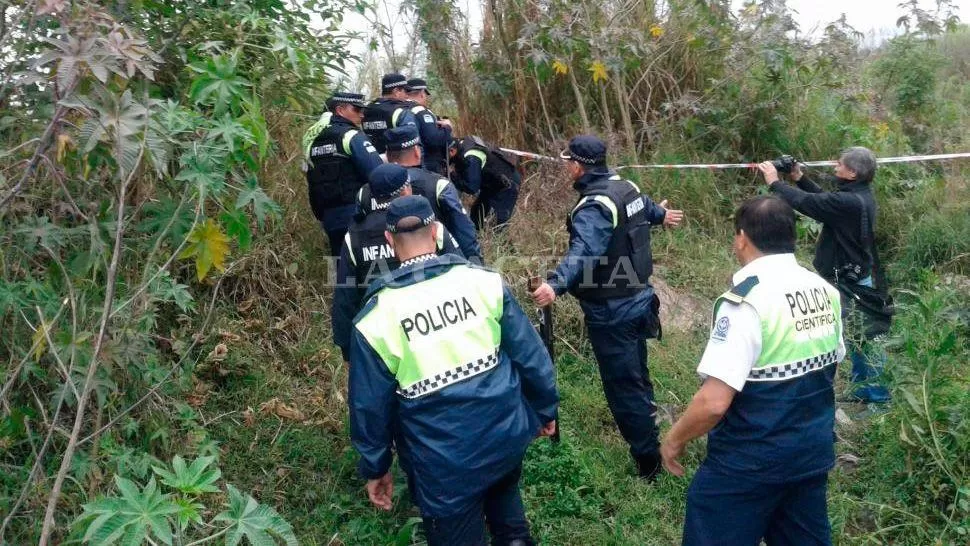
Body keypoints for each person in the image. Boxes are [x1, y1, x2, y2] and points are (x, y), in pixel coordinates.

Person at [349, 195, 559, 546]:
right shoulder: (484, 282)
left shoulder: (376, 318)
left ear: (389, 241)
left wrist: (376, 466)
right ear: (436, 232)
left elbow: (369, 406)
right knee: (509, 517)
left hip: (442, 464)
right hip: (503, 435)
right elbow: (531, 356)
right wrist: (544, 408)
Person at [660, 195, 846, 546]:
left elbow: (714, 403)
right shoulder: (825, 291)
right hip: (811, 452)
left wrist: (674, 439)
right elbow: (829, 365)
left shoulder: (746, 302)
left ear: (742, 238)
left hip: (749, 462)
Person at [529, 134, 684, 481]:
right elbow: (645, 207)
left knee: (624, 389)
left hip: (612, 312)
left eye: (568, 162)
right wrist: (662, 215)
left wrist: (555, 285)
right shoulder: (625, 187)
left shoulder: (595, 206)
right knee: (637, 378)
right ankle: (650, 435)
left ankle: (649, 464)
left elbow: (585, 250)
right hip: (639, 301)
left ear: (577, 166)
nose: (566, 167)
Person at [758, 147, 891, 403]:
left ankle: (878, 399)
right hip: (853, 276)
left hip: (852, 282)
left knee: (867, 339)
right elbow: (824, 201)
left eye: (840, 164)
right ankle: (862, 390)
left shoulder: (849, 202)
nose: (835, 167)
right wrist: (799, 178)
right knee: (857, 336)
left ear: (852, 173)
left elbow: (809, 203)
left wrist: (775, 183)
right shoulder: (857, 196)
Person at [332, 165, 463, 363]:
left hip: (383, 335)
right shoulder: (430, 227)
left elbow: (345, 297)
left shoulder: (354, 236)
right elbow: (461, 274)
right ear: (406, 190)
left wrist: (348, 351)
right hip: (433, 325)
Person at [355, 126, 483, 263]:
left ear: (387, 154)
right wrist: (476, 264)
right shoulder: (439, 185)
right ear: (417, 152)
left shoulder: (365, 191)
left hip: (378, 268)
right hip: (433, 267)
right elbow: (464, 232)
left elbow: (356, 231)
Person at [304, 92, 382, 256]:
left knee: (339, 259)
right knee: (364, 261)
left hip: (327, 216)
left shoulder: (310, 137)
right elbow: (377, 173)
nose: (362, 115)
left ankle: (335, 274)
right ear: (340, 110)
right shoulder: (350, 135)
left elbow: (307, 172)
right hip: (356, 212)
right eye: (357, 109)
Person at [448, 135, 521, 230]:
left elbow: (471, 187)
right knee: (477, 213)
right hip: (492, 183)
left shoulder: (471, 157)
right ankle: (477, 236)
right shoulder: (461, 147)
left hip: (507, 183)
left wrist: (453, 176)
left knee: (499, 222)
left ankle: (499, 239)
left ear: (452, 151)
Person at [362, 73, 419, 154]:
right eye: (405, 91)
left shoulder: (366, 109)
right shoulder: (401, 111)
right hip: (395, 157)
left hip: (372, 157)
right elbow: (412, 133)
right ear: (396, 91)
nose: (407, 96)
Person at [406, 78, 452, 175]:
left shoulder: (400, 110)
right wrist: (448, 127)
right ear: (422, 93)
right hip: (427, 164)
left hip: (404, 162)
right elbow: (433, 140)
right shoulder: (421, 111)